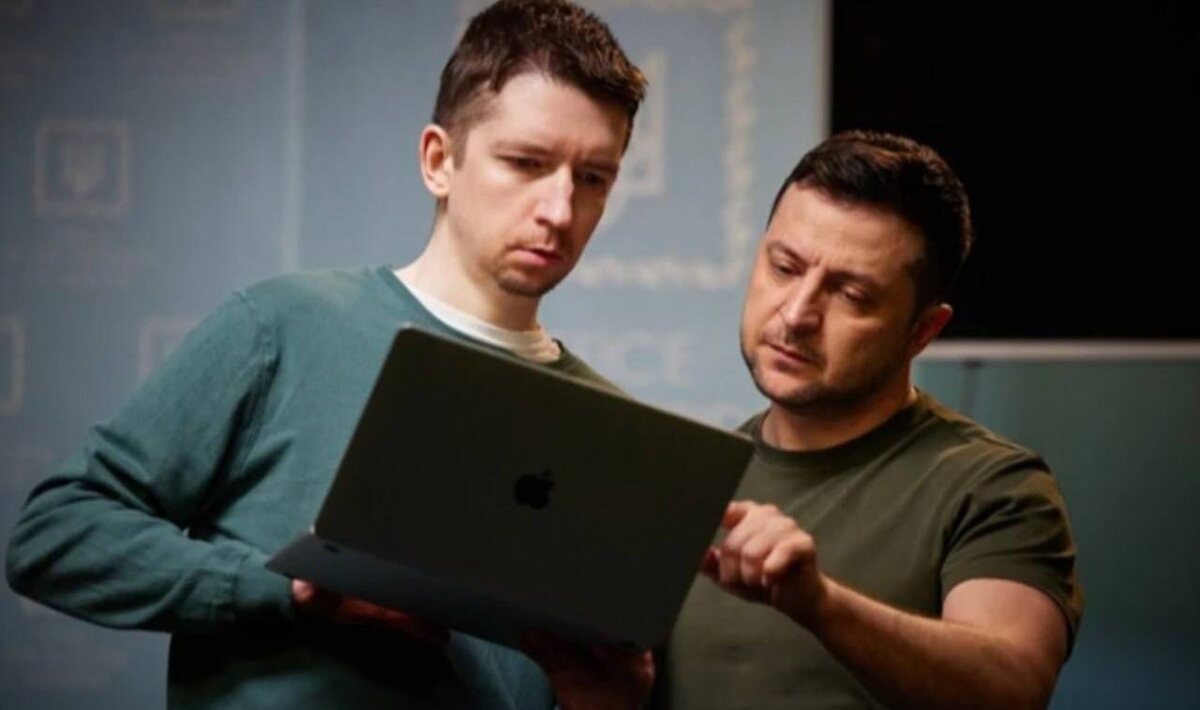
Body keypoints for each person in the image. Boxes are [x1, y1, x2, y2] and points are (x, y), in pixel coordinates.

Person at [6, 1, 654, 707]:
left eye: (594, 178)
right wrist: (284, 591)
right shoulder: (282, 327)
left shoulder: (615, 433)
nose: (559, 209)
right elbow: (56, 535)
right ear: (439, 161)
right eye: (526, 163)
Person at [657, 131, 1084, 709]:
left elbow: (1015, 686)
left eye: (852, 295)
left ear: (923, 331)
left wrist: (820, 604)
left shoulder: (994, 488)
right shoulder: (690, 480)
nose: (797, 313)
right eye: (784, 267)